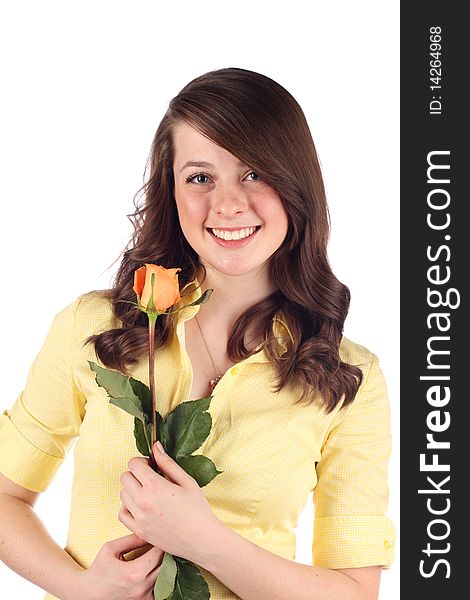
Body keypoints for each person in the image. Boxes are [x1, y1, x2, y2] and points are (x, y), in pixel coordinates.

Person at [0, 67, 395, 600]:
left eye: (254, 173)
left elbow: (354, 590)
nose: (228, 205)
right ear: (172, 190)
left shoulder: (351, 377)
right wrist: (80, 587)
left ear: (295, 184)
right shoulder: (94, 329)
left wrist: (208, 543)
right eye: (200, 177)